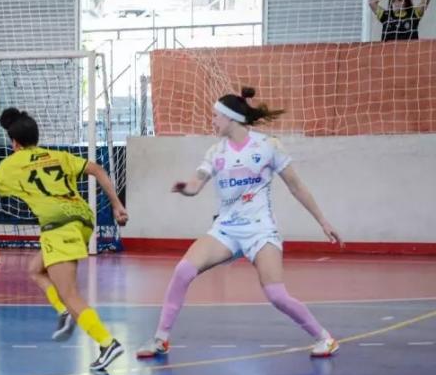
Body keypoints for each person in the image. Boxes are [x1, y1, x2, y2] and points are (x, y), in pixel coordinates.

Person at [136, 87, 343, 360]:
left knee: (276, 294)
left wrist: (323, 221)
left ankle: (324, 338)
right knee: (183, 270)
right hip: (226, 229)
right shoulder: (215, 152)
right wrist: (187, 187)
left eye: (215, 116)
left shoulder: (268, 146)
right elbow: (198, 181)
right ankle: (161, 339)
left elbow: (296, 186)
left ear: (231, 118)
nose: (212, 121)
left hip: (260, 230)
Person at [0, 108, 129, 372]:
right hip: (83, 221)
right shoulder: (57, 156)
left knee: (70, 294)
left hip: (59, 228)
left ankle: (106, 342)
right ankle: (64, 312)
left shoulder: (12, 164)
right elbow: (97, 169)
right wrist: (116, 205)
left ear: (14, 142)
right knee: (35, 269)